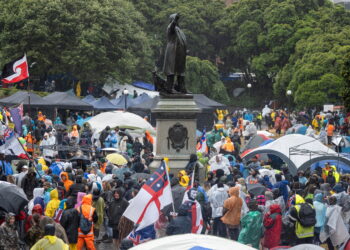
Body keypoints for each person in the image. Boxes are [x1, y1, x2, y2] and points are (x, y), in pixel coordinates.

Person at [162, 13, 187, 93]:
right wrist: (175, 20)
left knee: (181, 71)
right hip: (172, 51)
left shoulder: (179, 30)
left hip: (180, 53)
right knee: (171, 70)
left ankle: (181, 87)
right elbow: (172, 26)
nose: (177, 21)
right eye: (176, 19)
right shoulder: (171, 27)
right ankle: (169, 87)